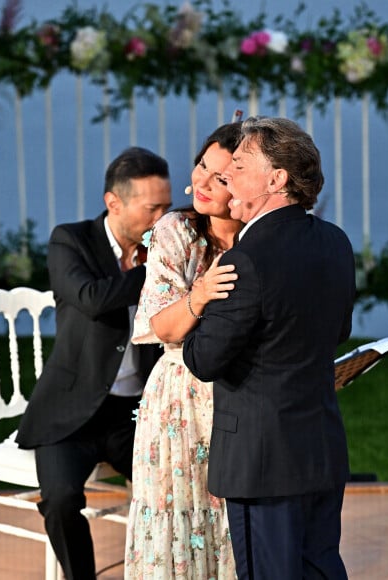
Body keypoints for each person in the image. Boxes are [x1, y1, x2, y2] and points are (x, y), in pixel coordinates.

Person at [182, 116, 356, 579]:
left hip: (262, 465)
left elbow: (202, 358)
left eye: (238, 165)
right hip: (320, 450)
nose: (227, 177)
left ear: (276, 179)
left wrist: (198, 301)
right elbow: (338, 331)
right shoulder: (336, 242)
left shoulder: (247, 259)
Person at [15, 146, 172, 580]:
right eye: (152, 207)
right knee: (62, 500)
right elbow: (90, 298)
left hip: (134, 415)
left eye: (167, 206)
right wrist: (158, 268)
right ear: (114, 203)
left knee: (178, 485)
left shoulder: (157, 244)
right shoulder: (71, 240)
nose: (163, 219)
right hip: (71, 414)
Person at [124, 123, 242, 579]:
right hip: (180, 402)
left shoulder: (263, 238)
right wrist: (201, 293)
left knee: (238, 520)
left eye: (221, 178)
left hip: (242, 396)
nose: (201, 184)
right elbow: (160, 326)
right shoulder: (176, 230)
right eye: (201, 168)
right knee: (180, 521)